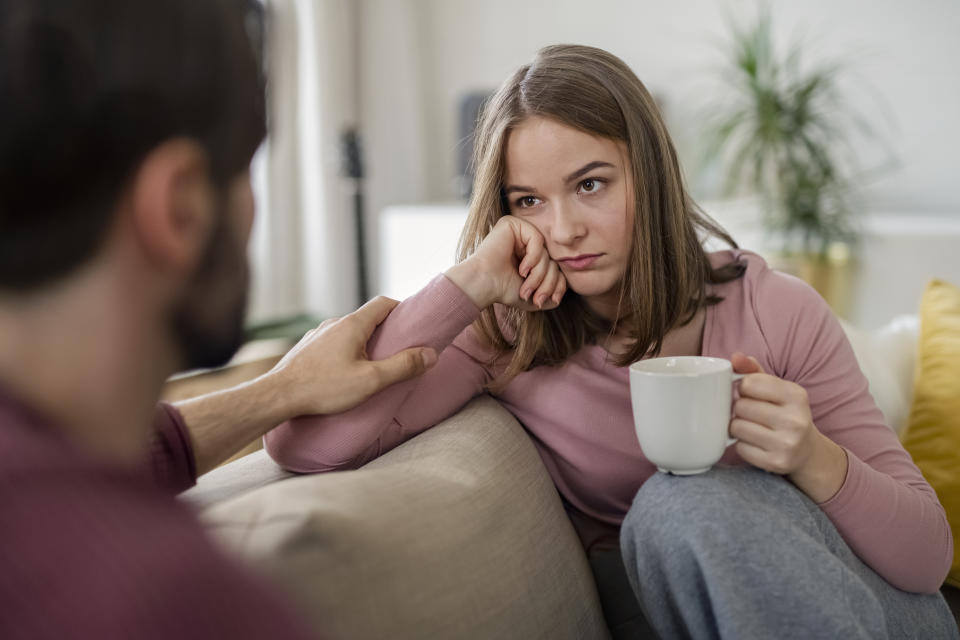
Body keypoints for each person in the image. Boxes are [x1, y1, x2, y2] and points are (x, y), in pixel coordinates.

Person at [264, 44, 958, 638]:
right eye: (526, 200)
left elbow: (927, 560)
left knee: (682, 504)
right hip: (683, 608)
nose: (562, 230)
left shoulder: (774, 310)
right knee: (667, 511)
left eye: (590, 184)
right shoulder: (508, 335)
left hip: (866, 605)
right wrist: (470, 282)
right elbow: (308, 446)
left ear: (649, 177)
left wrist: (813, 457)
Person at [0, 1, 435, 638]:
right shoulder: (171, 601)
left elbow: (126, 456)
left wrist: (286, 388)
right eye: (245, 167)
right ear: (180, 206)